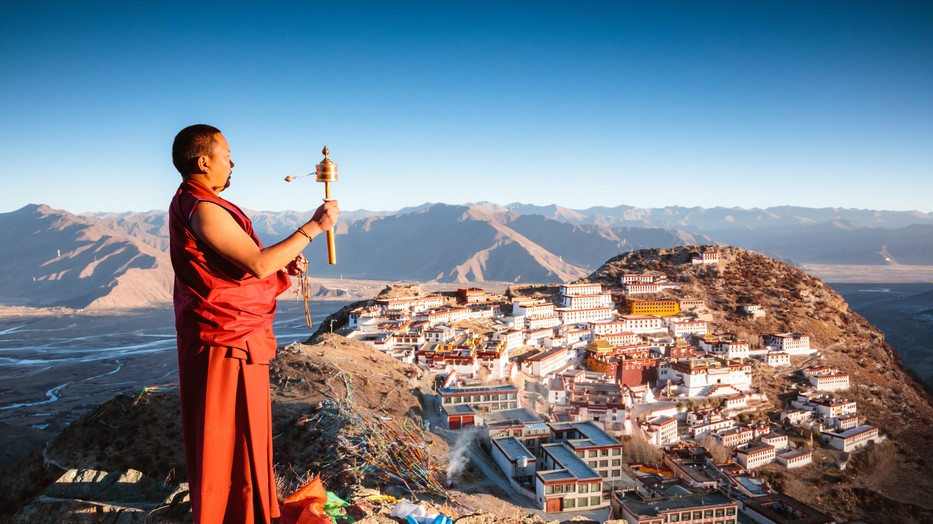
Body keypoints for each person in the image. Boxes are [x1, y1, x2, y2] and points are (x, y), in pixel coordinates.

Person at [169, 124, 338, 523]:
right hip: (221, 341)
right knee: (224, 434)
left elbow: (245, 266)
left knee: (243, 435)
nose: (232, 163)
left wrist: (284, 262)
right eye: (227, 155)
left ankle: (248, 510)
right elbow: (258, 263)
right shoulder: (203, 208)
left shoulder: (196, 203)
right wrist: (313, 228)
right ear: (204, 160)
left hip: (230, 333)